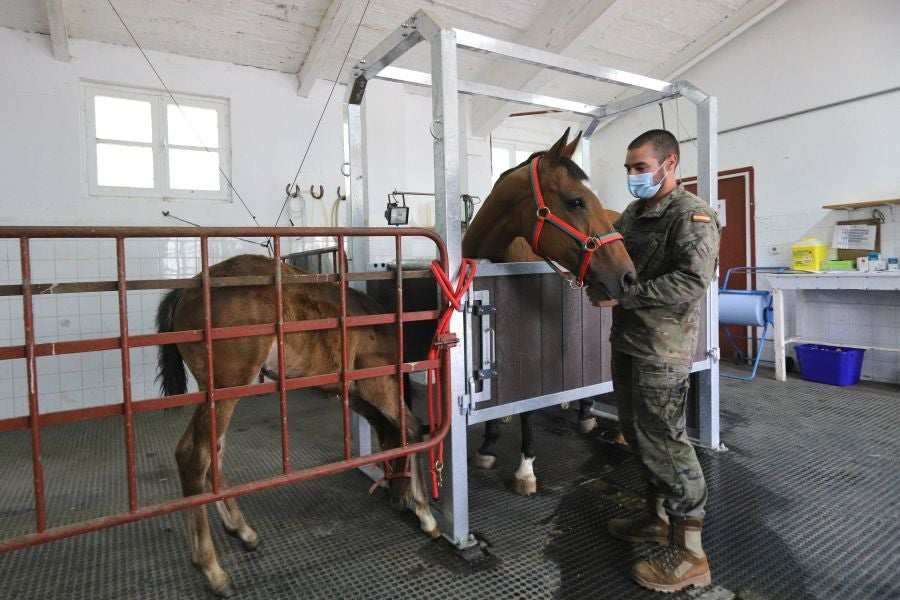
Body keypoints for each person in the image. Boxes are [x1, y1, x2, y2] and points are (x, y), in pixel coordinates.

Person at [591, 129, 721, 593]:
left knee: (665, 441)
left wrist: (625, 298)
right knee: (639, 434)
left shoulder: (693, 215)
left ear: (670, 165)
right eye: (628, 168)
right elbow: (618, 259)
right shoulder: (634, 212)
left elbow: (690, 281)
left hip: (662, 350)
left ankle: (691, 555)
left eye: (640, 167)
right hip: (628, 342)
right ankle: (656, 518)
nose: (632, 176)